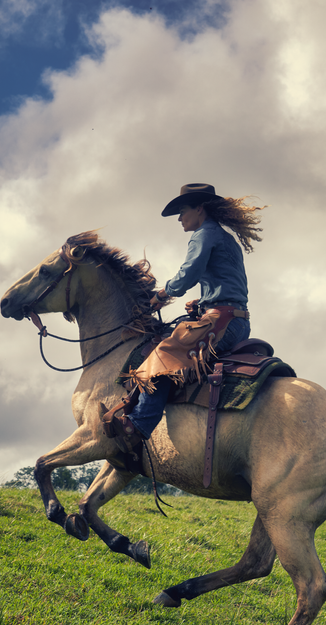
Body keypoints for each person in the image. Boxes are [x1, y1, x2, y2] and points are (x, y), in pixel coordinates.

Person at [106, 183, 265, 467]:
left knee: (162, 356)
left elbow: (188, 273)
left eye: (182, 212)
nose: (180, 219)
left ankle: (139, 424)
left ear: (199, 209)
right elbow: (225, 284)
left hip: (222, 322)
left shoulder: (204, 234)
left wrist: (162, 294)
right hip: (232, 319)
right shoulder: (223, 237)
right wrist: (203, 303)